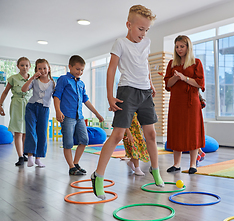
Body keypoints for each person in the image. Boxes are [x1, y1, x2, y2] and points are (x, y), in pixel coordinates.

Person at [91, 4, 164, 200]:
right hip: (127, 91)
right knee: (118, 135)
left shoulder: (146, 42)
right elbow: (111, 70)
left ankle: (155, 171)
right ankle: (98, 176)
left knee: (151, 133)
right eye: (141, 29)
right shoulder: (120, 43)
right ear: (128, 25)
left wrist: (150, 84)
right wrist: (109, 96)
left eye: (146, 30)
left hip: (145, 92)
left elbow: (145, 64)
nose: (143, 33)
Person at [53, 55, 104, 175]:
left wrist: (97, 113)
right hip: (67, 116)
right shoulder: (63, 79)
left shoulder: (81, 83)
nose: (79, 72)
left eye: (82, 70)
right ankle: (71, 167)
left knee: (84, 140)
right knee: (68, 143)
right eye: (77, 69)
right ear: (70, 66)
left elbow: (85, 100)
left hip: (79, 117)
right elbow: (57, 96)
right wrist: (58, 111)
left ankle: (75, 163)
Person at [163, 35, 205, 174]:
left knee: (193, 131)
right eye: (177, 47)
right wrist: (175, 77)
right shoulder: (171, 64)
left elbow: (199, 83)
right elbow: (167, 84)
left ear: (188, 47)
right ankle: (176, 164)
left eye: (182, 46)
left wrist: (185, 78)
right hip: (176, 102)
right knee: (176, 130)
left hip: (191, 102)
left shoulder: (196, 63)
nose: (179, 49)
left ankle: (193, 164)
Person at [21, 59, 55, 168]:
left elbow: (57, 97)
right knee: (31, 131)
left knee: (42, 133)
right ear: (36, 70)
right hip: (31, 107)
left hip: (44, 109)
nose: (43, 70)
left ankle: (38, 158)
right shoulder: (34, 81)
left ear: (48, 69)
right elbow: (23, 89)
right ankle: (30, 156)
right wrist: (31, 78)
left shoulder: (53, 83)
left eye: (45, 68)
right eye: (40, 68)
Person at [0, 57, 32, 166]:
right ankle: (20, 156)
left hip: (29, 105)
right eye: (22, 65)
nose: (24, 67)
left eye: (27, 65)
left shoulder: (33, 79)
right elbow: (5, 92)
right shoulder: (13, 78)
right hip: (17, 105)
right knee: (18, 132)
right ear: (18, 66)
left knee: (26, 132)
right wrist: (0, 104)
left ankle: (25, 153)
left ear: (30, 66)